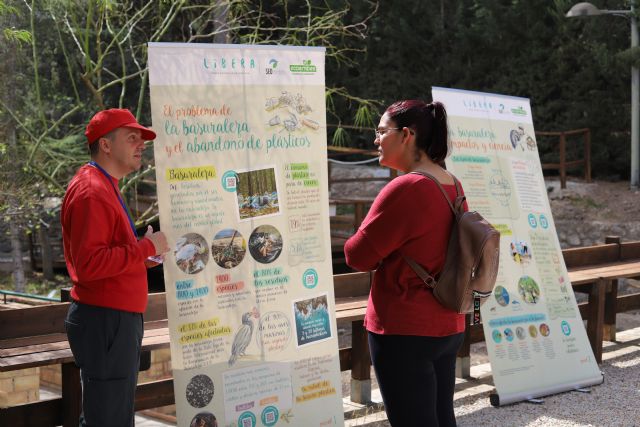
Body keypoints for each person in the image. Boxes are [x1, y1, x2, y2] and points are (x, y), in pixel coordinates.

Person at [344, 100, 467, 426]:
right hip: (447, 322)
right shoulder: (451, 183)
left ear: (407, 135)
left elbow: (357, 256)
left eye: (382, 131)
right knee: (441, 418)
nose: (376, 139)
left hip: (404, 328)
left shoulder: (406, 187)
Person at [62, 108, 170, 426]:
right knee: (107, 418)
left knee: (111, 414)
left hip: (112, 319)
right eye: (132, 137)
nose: (141, 145)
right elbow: (89, 265)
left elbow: (109, 254)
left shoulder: (104, 184)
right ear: (106, 145)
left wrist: (146, 256)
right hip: (106, 320)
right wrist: (147, 247)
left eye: (142, 139)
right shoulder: (91, 191)